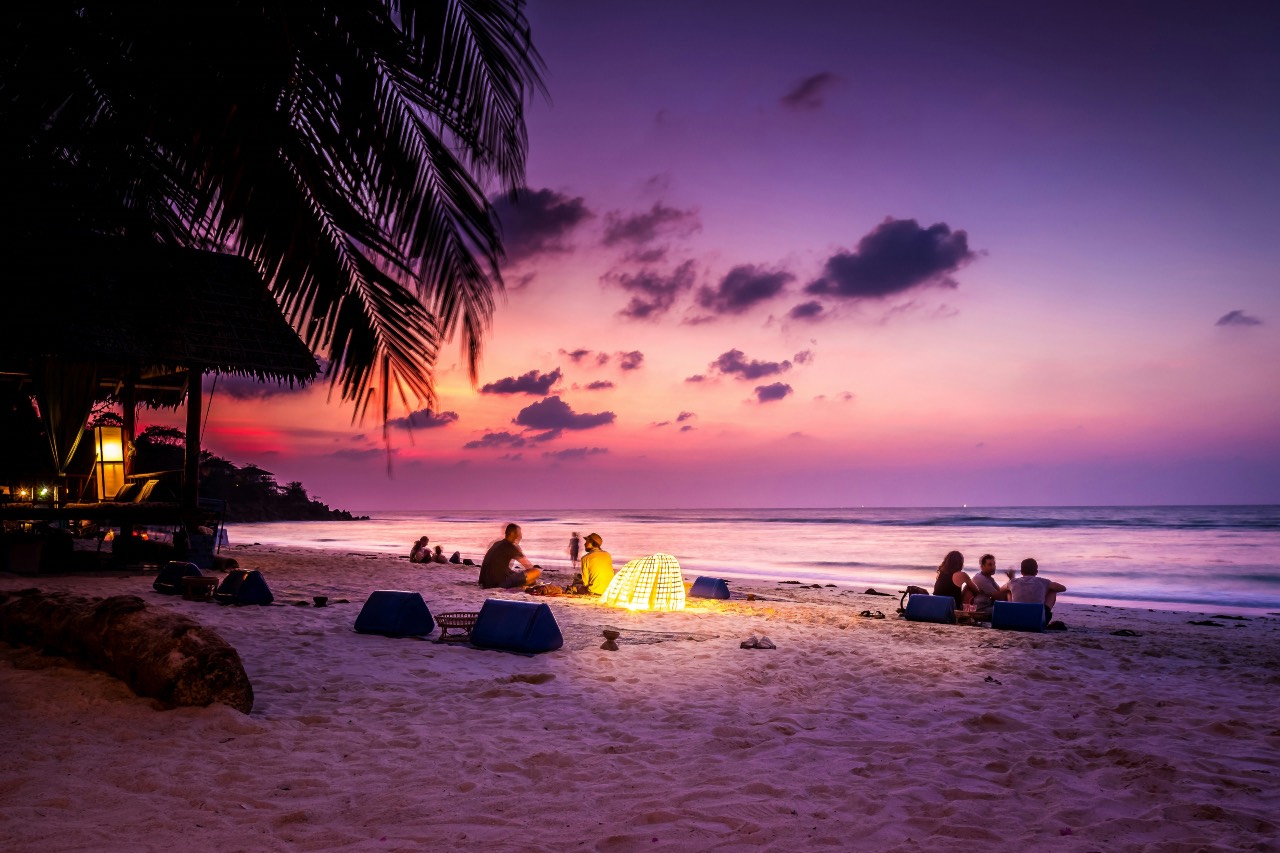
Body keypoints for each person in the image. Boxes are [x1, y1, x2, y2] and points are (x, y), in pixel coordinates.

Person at [478, 523, 541, 589]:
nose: (521, 537)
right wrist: (519, 551)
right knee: (536, 572)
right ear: (512, 534)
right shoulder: (511, 547)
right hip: (498, 584)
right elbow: (529, 567)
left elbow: (498, 566)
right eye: (519, 534)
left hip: (485, 582)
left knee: (515, 574)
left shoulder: (497, 544)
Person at [1007, 557, 1067, 623]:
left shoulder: (1013, 582)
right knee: (1053, 590)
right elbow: (1063, 588)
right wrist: (1045, 590)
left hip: (1016, 618)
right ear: (1036, 572)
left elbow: (1001, 590)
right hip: (1038, 620)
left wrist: (1011, 580)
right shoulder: (1043, 581)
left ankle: (1012, 610)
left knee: (1008, 591)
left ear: (1021, 572)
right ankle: (1044, 614)